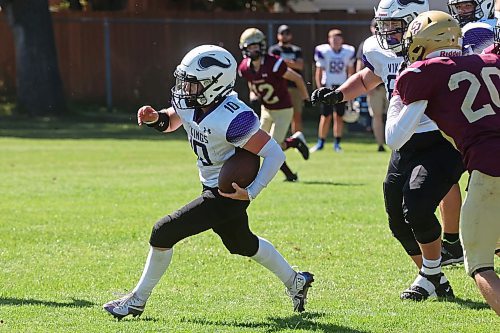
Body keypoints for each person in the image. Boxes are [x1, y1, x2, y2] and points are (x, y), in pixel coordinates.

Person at [102, 45, 314, 319]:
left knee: (163, 232)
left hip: (227, 191)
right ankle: (297, 282)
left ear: (216, 84)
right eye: (184, 81)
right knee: (241, 243)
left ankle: (136, 300)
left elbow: (274, 153)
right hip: (211, 184)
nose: (184, 88)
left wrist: (250, 192)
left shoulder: (234, 116)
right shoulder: (192, 101)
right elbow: (173, 120)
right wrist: (156, 119)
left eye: (192, 83)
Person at [311, 0, 462, 300]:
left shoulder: (440, 44)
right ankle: (434, 278)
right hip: (403, 139)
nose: (386, 32)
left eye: (393, 25)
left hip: (440, 137)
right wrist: (338, 95)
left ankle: (437, 266)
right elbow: (370, 77)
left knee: (417, 205)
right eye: (383, 25)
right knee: (396, 218)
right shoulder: (379, 49)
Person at [385, 10, 500, 314]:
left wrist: (397, 95)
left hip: (489, 167)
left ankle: (433, 272)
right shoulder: (489, 60)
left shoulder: (424, 74)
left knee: (480, 264)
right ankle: (430, 273)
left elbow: (394, 137)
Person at [238, 28, 310, 182]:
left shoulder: (273, 63)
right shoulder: (244, 67)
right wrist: (253, 97)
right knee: (257, 146)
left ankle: (294, 143)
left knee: (271, 148)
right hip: (266, 109)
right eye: (250, 47)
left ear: (262, 46)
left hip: (283, 109)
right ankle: (291, 173)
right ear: (244, 48)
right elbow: (252, 84)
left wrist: (306, 98)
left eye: (255, 46)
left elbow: (297, 78)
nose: (253, 50)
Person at [310, 29, 355, 152]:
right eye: (333, 38)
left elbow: (350, 71)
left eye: (338, 38)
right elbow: (319, 71)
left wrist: (351, 89)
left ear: (342, 40)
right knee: (325, 116)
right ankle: (321, 142)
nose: (335, 41)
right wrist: (319, 89)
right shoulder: (323, 51)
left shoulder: (348, 51)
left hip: (341, 87)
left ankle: (337, 143)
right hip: (327, 87)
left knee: (339, 116)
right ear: (329, 40)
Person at [356, 19, 387, 152]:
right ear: (371, 28)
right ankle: (380, 144)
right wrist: (365, 86)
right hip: (375, 88)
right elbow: (360, 67)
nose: (377, 29)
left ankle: (396, 144)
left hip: (390, 86)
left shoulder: (389, 41)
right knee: (377, 116)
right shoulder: (366, 44)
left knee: (395, 114)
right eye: (375, 26)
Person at [268, 25, 305, 134]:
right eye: (282, 33)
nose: (285, 36)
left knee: (297, 115)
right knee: (276, 115)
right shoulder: (274, 49)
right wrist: (290, 63)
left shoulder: (296, 50)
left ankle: (297, 140)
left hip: (294, 87)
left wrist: (282, 62)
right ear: (278, 35)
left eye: (287, 33)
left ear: (291, 35)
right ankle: (273, 141)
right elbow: (272, 66)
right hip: (278, 87)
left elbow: (300, 65)